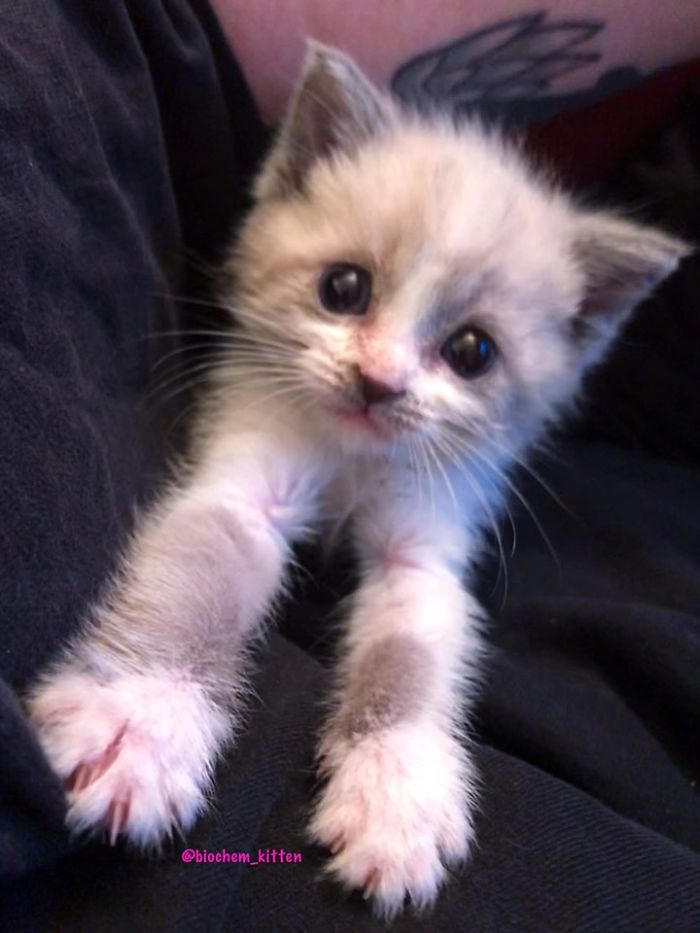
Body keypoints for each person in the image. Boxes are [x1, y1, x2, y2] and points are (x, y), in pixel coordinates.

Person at [0, 2, 698, 929]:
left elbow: (421, 571)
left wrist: (398, 734)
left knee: (416, 566)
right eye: (347, 289)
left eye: (470, 351)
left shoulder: (474, 434)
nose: (380, 369)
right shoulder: (276, 369)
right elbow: (240, 510)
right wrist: (158, 668)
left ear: (581, 328)